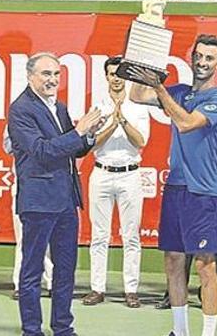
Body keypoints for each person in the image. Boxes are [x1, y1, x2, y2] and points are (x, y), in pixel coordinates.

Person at [128, 34, 217, 336]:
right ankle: (180, 331)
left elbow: (185, 123)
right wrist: (145, 61)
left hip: (203, 191)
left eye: (209, 58)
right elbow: (136, 95)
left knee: (204, 265)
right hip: (176, 187)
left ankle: (208, 334)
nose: (202, 62)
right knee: (173, 260)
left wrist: (159, 87)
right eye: (198, 55)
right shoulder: (180, 91)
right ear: (191, 57)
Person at [7, 52, 103, 336]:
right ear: (30, 76)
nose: (52, 80)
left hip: (65, 200)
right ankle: (32, 330)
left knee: (66, 269)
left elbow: (71, 149)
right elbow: (41, 152)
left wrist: (87, 135)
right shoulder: (20, 109)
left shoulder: (59, 107)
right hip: (37, 201)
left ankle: (63, 328)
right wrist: (78, 132)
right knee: (32, 270)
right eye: (46, 74)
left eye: (56, 74)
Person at [81, 56, 150, 309]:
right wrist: (113, 122)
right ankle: (97, 288)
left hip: (130, 174)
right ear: (106, 77)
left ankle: (131, 290)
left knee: (131, 235)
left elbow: (141, 141)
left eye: (120, 73)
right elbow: (92, 142)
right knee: (99, 235)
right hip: (101, 172)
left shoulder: (139, 105)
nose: (116, 78)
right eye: (111, 74)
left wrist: (123, 119)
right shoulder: (97, 106)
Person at [159, 119, 217, 310]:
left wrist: (201, 146)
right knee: (181, 249)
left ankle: (211, 294)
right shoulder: (184, 125)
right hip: (188, 192)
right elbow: (174, 159)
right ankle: (175, 295)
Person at [3, 126, 54, 300]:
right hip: (23, 184)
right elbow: (8, 146)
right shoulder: (18, 115)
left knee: (49, 236)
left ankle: (52, 282)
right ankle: (21, 283)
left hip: (49, 184)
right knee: (24, 238)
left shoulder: (55, 113)